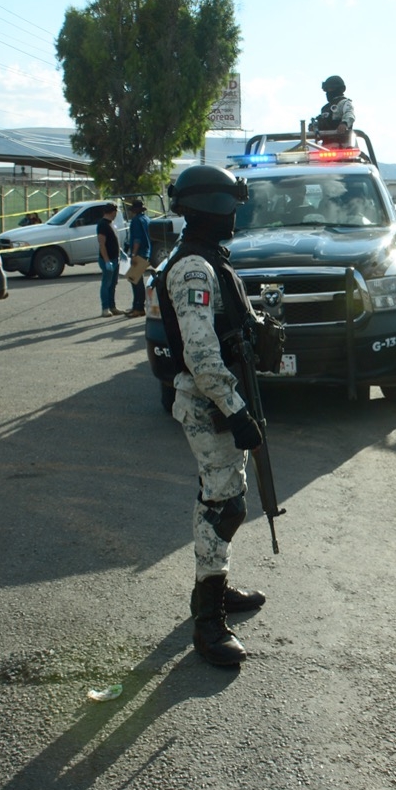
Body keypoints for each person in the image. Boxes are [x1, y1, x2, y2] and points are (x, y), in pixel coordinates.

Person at [154, 165, 268, 666]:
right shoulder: (194, 269)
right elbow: (201, 357)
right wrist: (236, 410)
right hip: (208, 403)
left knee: (223, 496)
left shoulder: (207, 260)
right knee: (225, 505)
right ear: (211, 209)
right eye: (231, 207)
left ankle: (215, 589)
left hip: (217, 400)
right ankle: (209, 622)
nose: (236, 217)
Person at [124, 198, 152, 319]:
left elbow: (137, 239)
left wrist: (133, 254)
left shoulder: (136, 221)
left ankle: (139, 307)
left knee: (135, 281)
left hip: (139, 252)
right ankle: (137, 305)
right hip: (147, 251)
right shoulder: (146, 219)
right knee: (137, 280)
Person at [309, 75, 355, 146]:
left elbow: (349, 114)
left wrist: (344, 124)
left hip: (343, 145)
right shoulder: (325, 108)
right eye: (326, 89)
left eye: (330, 88)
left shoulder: (344, 102)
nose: (328, 92)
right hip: (326, 147)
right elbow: (323, 124)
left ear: (340, 89)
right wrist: (315, 127)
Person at [96, 202, 123, 317]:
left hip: (115, 258)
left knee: (113, 283)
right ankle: (105, 308)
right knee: (106, 283)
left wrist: (120, 251)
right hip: (108, 259)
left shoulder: (111, 223)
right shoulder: (102, 225)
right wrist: (107, 260)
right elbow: (102, 244)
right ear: (113, 212)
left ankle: (113, 306)